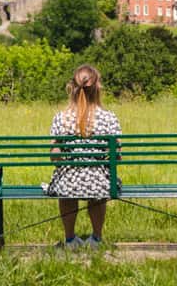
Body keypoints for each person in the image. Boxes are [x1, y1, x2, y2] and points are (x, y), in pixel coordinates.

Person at [44, 64, 121, 249]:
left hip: (67, 182)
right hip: (99, 182)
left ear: (73, 87)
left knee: (66, 186)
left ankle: (70, 239)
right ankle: (96, 238)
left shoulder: (61, 118)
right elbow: (116, 157)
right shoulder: (109, 118)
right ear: (97, 88)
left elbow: (54, 157)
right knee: (99, 185)